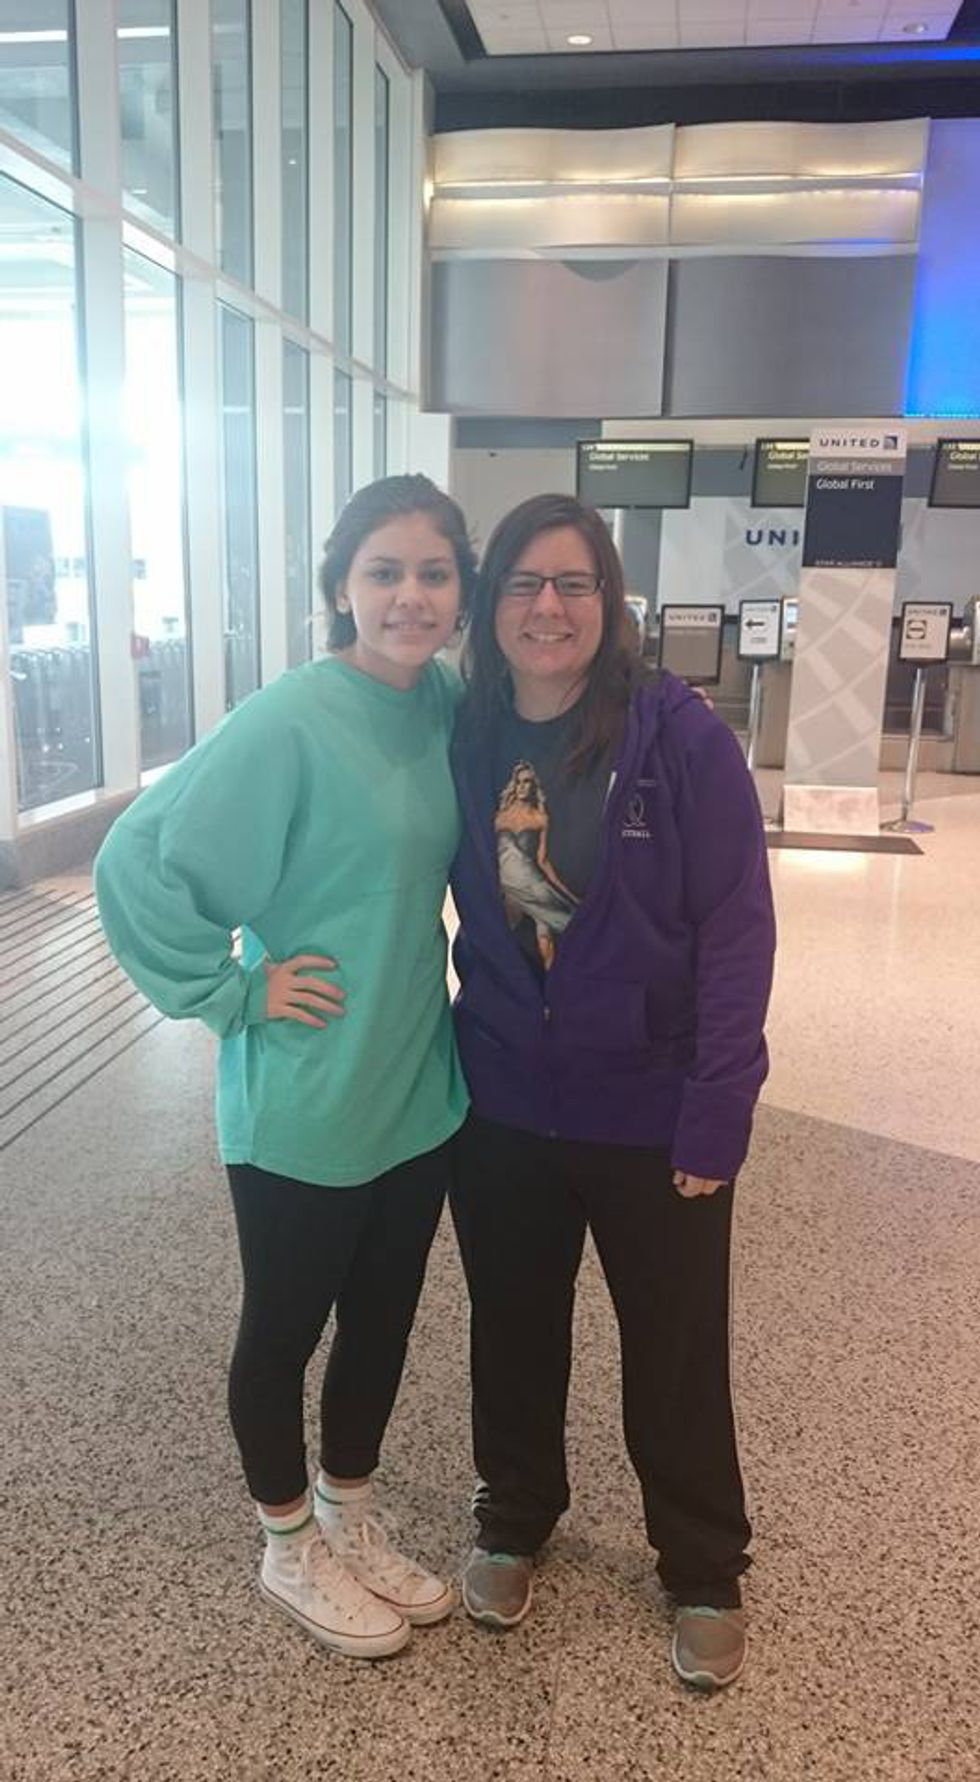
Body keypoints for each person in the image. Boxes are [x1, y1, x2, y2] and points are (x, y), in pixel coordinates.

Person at [95, 474, 477, 1661]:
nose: (409, 596)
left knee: (382, 1324)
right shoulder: (288, 719)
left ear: (459, 592)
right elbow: (136, 857)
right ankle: (286, 1541)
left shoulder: (441, 700)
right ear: (340, 587)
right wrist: (229, 991)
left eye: (432, 573)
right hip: (306, 1091)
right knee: (283, 1330)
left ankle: (348, 1512)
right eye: (383, 572)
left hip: (415, 1085)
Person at [448, 493, 776, 1690]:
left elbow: (736, 928)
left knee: (674, 1345)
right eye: (523, 583)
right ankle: (513, 1515)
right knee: (511, 1325)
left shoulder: (675, 735)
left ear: (608, 601)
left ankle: (701, 1564)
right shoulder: (466, 729)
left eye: (572, 583)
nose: (547, 607)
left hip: (650, 1109)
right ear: (491, 603)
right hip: (503, 1101)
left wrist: (718, 1107)